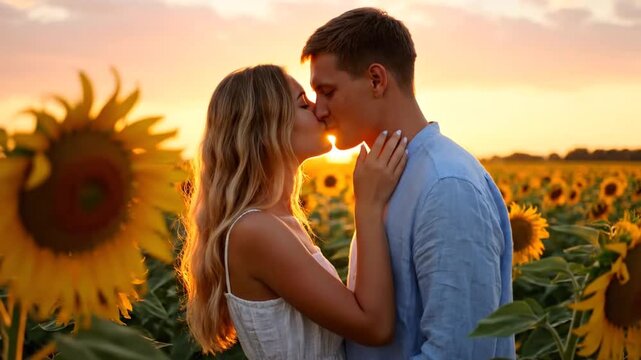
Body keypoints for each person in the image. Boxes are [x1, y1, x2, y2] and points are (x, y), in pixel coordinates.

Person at [301, 7, 515, 359]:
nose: (319, 109)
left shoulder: (447, 185)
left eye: (327, 91)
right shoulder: (385, 176)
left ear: (376, 80)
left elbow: (459, 352)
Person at [179, 64, 408, 359]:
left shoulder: (278, 221)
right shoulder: (256, 231)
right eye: (303, 103)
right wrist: (367, 205)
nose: (320, 110)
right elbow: (374, 326)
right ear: (266, 130)